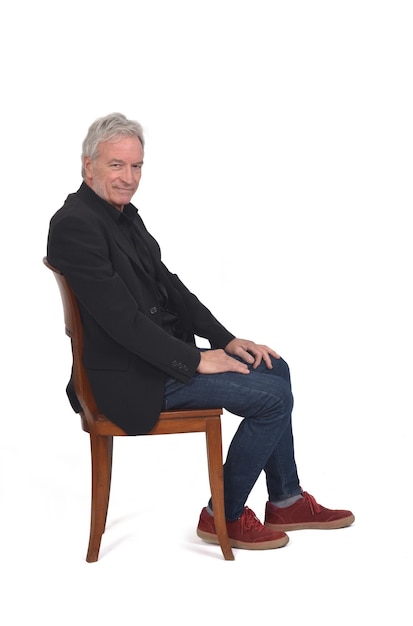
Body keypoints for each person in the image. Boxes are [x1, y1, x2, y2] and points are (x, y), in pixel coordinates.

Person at [47, 112, 354, 551]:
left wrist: (225, 340)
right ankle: (221, 515)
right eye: (117, 165)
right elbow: (121, 322)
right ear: (87, 165)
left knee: (275, 367)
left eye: (136, 166)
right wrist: (196, 360)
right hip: (130, 380)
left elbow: (169, 287)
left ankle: (286, 499)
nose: (128, 178)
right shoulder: (75, 225)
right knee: (273, 400)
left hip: (154, 363)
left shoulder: (123, 215)